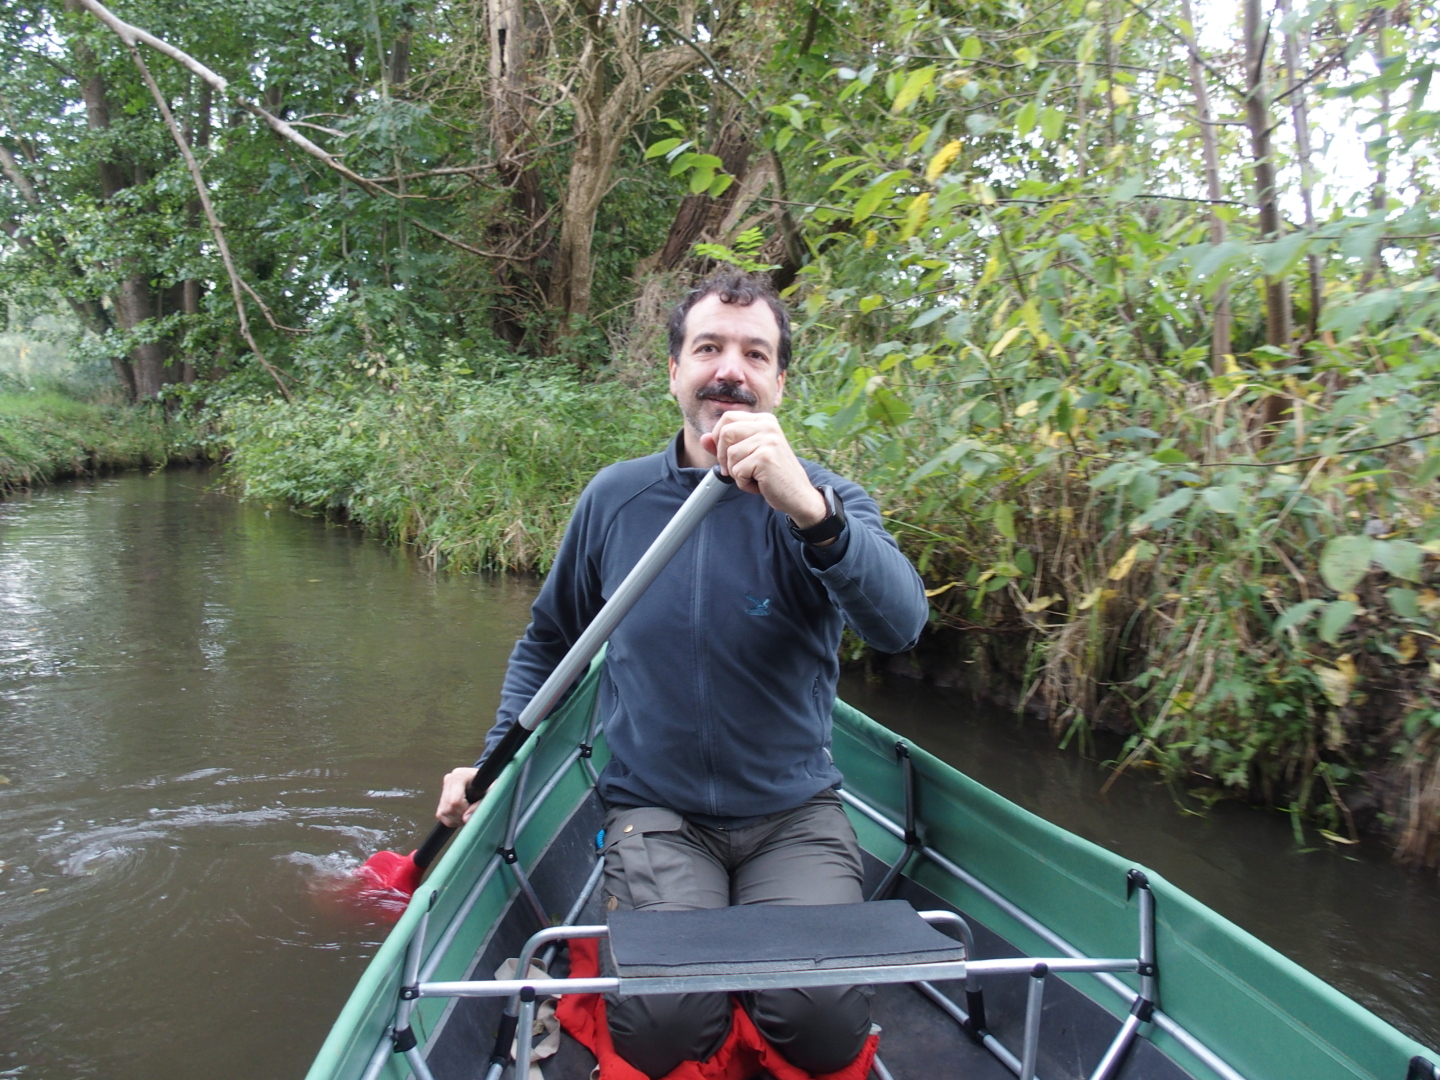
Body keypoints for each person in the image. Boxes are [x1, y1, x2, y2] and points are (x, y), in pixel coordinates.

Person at [435, 269, 928, 1079]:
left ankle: (764, 995)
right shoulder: (616, 499)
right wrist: (493, 763)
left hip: (793, 812)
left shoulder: (827, 499)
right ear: (675, 373)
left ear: (778, 383)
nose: (729, 368)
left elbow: (901, 625)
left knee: (821, 1026)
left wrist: (806, 507)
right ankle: (695, 995)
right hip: (657, 811)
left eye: (753, 353)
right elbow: (551, 640)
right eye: (708, 348)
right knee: (662, 1031)